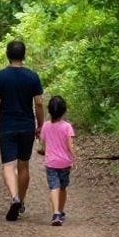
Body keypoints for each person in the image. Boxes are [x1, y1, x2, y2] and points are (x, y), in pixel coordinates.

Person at [0, 40, 44, 221]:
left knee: (8, 165)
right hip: (26, 126)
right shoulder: (32, 76)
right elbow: (39, 103)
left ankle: (14, 197)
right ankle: (22, 201)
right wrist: (40, 126)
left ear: (7, 54)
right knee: (24, 165)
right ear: (23, 55)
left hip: (7, 127)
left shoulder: (0, 76)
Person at [39, 95, 75, 226]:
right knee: (63, 187)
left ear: (49, 110)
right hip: (65, 162)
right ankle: (61, 210)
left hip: (51, 163)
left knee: (54, 187)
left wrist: (44, 150)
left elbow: (43, 144)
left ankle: (56, 213)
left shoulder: (45, 126)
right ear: (64, 110)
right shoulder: (67, 127)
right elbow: (70, 145)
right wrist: (74, 157)